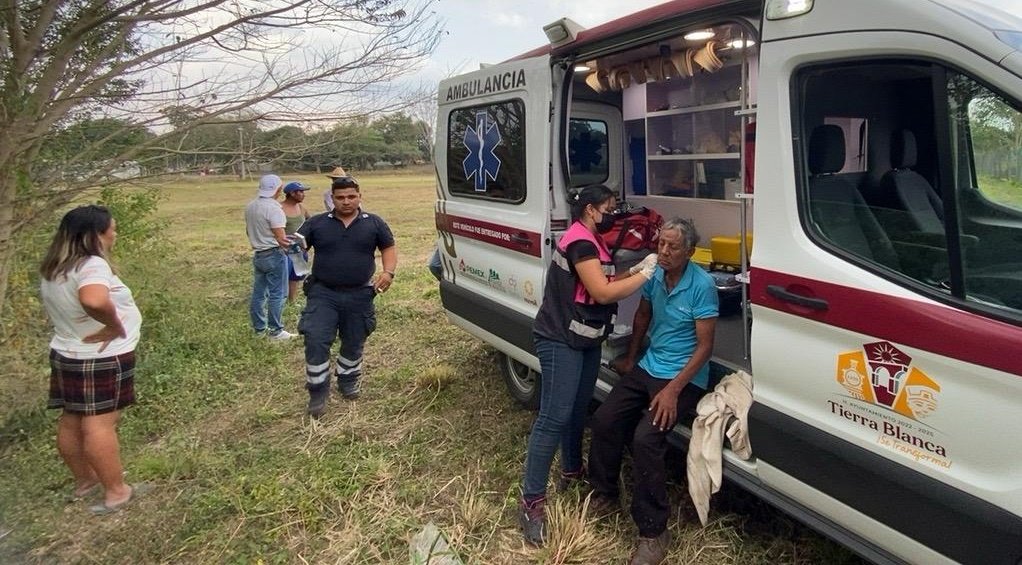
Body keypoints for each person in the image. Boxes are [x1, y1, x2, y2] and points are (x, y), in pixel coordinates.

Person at [518, 184, 659, 546]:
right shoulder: (580, 241)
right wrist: (646, 273)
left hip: (586, 337)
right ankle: (531, 502)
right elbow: (602, 292)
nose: (614, 212)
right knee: (554, 416)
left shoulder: (594, 240)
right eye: (609, 207)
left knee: (578, 411)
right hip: (560, 338)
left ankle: (571, 470)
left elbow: (607, 280)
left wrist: (635, 270)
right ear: (591, 210)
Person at [587, 217, 719, 565]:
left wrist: (674, 390)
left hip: (684, 377)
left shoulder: (702, 285)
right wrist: (632, 357)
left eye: (673, 246)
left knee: (646, 439)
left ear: (689, 251)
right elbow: (643, 315)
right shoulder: (655, 274)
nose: (663, 251)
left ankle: (654, 531)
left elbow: (705, 347)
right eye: (660, 243)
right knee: (604, 420)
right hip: (649, 365)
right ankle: (604, 493)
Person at [39, 205, 143, 515]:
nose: (115, 232)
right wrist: (113, 325)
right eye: (111, 227)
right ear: (95, 234)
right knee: (100, 425)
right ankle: (116, 491)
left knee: (72, 419)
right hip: (101, 356)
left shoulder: (56, 266)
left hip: (68, 351)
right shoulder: (92, 265)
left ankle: (85, 481)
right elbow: (94, 299)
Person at [296, 174, 397, 418]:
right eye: (340, 197)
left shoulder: (373, 223)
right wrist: (291, 249)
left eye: (351, 196)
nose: (346, 201)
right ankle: (318, 389)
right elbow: (297, 246)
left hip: (360, 293)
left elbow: (388, 247)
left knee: (354, 340)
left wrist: (388, 272)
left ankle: (348, 379)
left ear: (360, 197)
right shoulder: (317, 223)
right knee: (316, 338)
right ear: (332, 199)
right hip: (323, 293)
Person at [245, 174, 294, 340]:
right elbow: (281, 238)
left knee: (259, 293)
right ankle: (276, 330)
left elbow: (248, 230)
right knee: (277, 293)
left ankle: (259, 329)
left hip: (259, 253)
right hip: (274, 253)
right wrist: (296, 244)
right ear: (278, 189)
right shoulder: (274, 208)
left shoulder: (251, 206)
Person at [281, 181, 312, 302]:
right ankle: (280, 300)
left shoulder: (301, 208)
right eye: (301, 192)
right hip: (284, 249)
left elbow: (310, 222)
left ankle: (292, 300)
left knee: (295, 276)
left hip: (299, 249)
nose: (303, 195)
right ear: (292, 193)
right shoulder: (279, 209)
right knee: (283, 276)